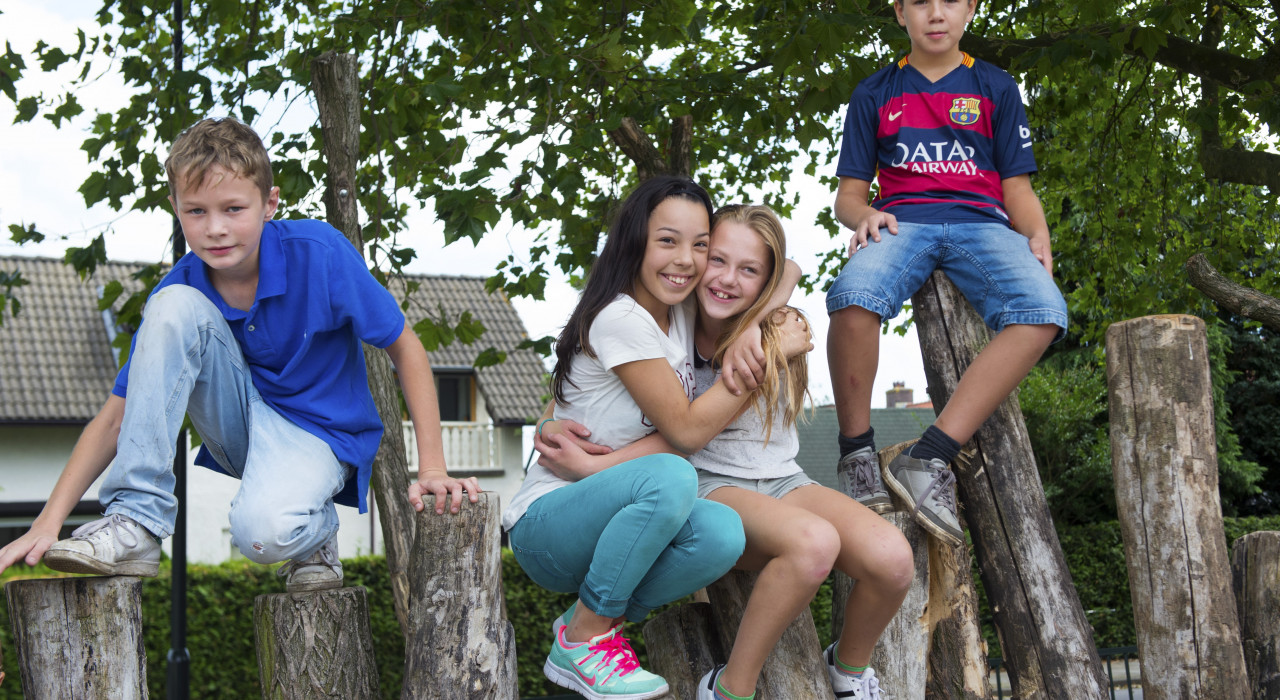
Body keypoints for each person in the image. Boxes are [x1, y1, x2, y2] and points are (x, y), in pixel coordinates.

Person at [0, 117, 478, 591]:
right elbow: (115, 417)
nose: (215, 229)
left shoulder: (319, 253)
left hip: (321, 435)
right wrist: (48, 520)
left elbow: (405, 347)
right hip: (242, 425)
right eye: (196, 212)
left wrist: (432, 466)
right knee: (170, 307)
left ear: (269, 203)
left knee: (261, 539)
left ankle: (316, 532)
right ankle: (137, 519)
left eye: (232, 209)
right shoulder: (182, 289)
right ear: (175, 208)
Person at [542, 205, 912, 700]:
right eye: (716, 260)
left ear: (766, 280)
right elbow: (619, 386)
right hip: (710, 485)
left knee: (894, 560)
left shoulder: (781, 325)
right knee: (813, 544)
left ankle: (848, 671)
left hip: (784, 480)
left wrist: (759, 324)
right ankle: (729, 688)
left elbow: (794, 269)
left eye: (749, 270)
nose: (727, 280)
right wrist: (553, 421)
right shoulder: (670, 320)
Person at [503, 177, 809, 700]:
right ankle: (584, 641)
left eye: (699, 245)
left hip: (614, 515)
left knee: (722, 533)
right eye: (667, 240)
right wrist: (766, 349)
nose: (686, 260)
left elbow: (791, 269)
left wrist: (758, 324)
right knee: (675, 476)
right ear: (635, 241)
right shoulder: (622, 316)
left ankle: (589, 623)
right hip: (549, 523)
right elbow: (687, 432)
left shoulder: (681, 310)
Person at [826, 0, 1068, 546]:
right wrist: (865, 216)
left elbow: (1018, 188)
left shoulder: (996, 86)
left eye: (951, 1)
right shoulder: (875, 92)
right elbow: (848, 197)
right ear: (899, 13)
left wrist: (1038, 234)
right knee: (853, 294)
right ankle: (855, 452)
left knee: (1044, 310)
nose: (936, 13)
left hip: (982, 225)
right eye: (920, 2)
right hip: (903, 221)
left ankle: (930, 455)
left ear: (972, 10)